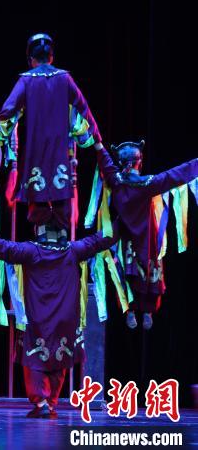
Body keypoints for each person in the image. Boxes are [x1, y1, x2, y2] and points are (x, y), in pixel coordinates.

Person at [0, 225, 118, 419]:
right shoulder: (73, 250)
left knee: (35, 359)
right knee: (60, 356)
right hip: (65, 318)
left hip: (38, 317)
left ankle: (41, 402)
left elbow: (2, 247)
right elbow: (100, 240)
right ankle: (49, 402)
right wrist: (125, 220)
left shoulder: (31, 251)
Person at [0, 33, 102, 240]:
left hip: (36, 145)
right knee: (61, 180)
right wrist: (95, 138)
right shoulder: (64, 78)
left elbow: (9, 109)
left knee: (37, 180)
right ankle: (62, 230)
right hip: (60, 145)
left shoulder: (27, 80)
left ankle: (42, 228)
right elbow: (82, 107)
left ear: (31, 59)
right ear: (51, 57)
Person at [95, 141, 198, 329]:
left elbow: (105, 161)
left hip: (125, 237)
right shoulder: (147, 183)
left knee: (126, 268)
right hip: (147, 239)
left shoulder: (116, 181)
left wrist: (97, 142)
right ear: (139, 163)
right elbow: (173, 175)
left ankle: (130, 310)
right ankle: (148, 311)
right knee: (150, 267)